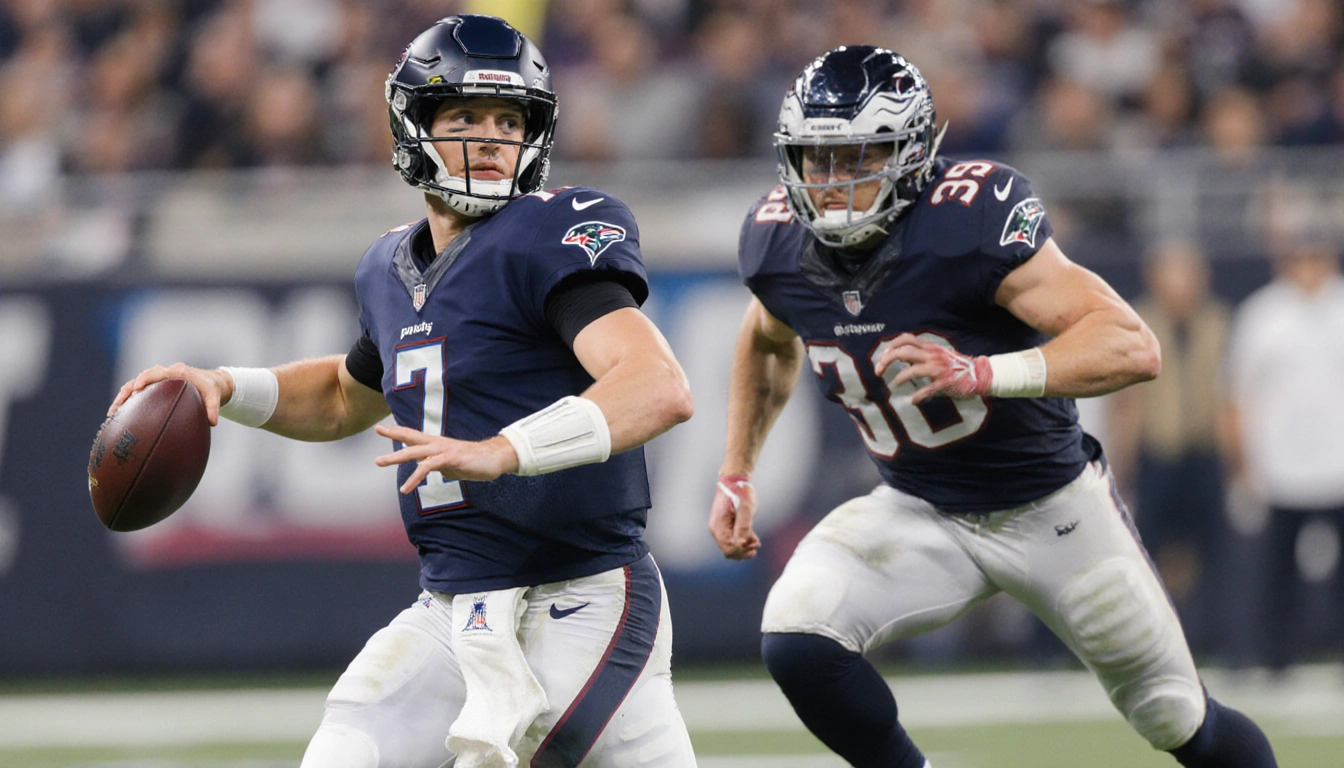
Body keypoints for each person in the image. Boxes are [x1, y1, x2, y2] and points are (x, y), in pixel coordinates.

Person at [110, 15, 697, 768]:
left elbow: (658, 385)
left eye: (509, 120)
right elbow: (343, 395)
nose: (491, 138)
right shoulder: (389, 266)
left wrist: (506, 450)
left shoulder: (546, 235)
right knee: (342, 752)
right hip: (454, 612)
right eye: (465, 118)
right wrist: (225, 384)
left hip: (584, 602)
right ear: (413, 125)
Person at [708, 46, 1276, 768]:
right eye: (815, 159)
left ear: (911, 153)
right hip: (920, 508)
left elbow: (1131, 345)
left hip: (1051, 508)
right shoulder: (778, 242)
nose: (831, 182)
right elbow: (765, 339)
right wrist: (737, 469)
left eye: (856, 156)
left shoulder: (967, 221)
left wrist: (982, 372)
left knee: (1175, 714)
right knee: (797, 634)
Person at [1222, 225, 1344, 672]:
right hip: (1279, 468)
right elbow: (1235, 395)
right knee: (1276, 573)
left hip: (1339, 465)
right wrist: (1241, 464)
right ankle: (1275, 658)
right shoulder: (1262, 314)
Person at [1107, 238, 1232, 654]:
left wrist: (1234, 458)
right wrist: (1122, 460)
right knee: (1146, 553)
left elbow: (1230, 395)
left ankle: (1218, 640)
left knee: (1216, 551)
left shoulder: (1218, 322)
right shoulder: (1135, 322)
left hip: (1205, 452)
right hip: (1157, 452)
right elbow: (1125, 401)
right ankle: (1145, 643)